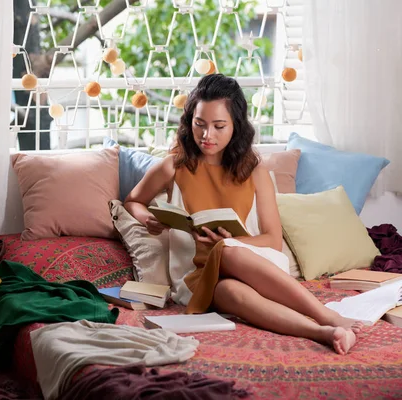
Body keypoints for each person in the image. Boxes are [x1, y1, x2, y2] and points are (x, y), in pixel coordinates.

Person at [123, 74, 361, 355]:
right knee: (229, 293)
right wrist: (146, 218)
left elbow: (272, 241)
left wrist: (226, 244)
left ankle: (327, 316)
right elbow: (132, 201)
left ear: (236, 126)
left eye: (218, 126)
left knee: (228, 252)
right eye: (199, 124)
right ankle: (323, 332)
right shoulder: (173, 166)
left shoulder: (255, 172)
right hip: (198, 277)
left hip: (258, 265)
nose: (206, 135)